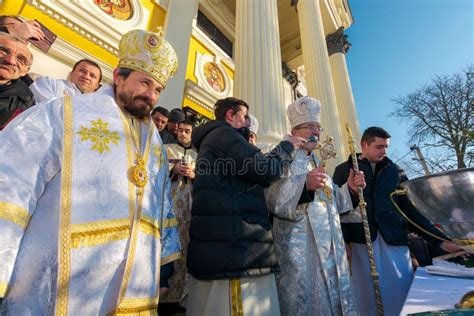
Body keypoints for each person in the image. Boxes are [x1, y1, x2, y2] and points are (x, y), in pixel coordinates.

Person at [0, 29, 181, 315]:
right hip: (57, 275)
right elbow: (12, 183)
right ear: (119, 76)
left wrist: (163, 270)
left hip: (132, 278)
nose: (150, 95)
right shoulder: (65, 112)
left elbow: (161, 203)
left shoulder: (154, 142)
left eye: (157, 89)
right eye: (144, 82)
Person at [185, 97, 302, 316]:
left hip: (224, 245)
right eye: (245, 116)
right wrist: (287, 146)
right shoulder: (225, 135)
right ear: (231, 115)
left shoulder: (213, 140)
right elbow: (264, 170)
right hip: (236, 251)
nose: (249, 122)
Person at [333, 126, 461, 316]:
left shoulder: (396, 171)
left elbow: (410, 211)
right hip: (361, 242)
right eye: (379, 146)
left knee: (401, 288)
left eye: (386, 147)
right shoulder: (344, 170)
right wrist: (343, 242)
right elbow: (336, 210)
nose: (384, 151)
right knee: (365, 294)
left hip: (394, 239)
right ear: (364, 145)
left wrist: (439, 239)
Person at [266, 96, 363, 316]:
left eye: (318, 127)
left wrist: (350, 189)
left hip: (330, 249)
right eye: (310, 126)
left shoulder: (316, 161)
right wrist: (303, 185)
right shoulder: (281, 155)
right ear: (295, 130)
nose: (316, 132)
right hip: (300, 248)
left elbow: (331, 205)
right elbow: (270, 196)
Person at [160, 119, 196, 311]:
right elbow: (154, 171)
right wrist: (172, 169)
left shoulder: (197, 154)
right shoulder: (166, 149)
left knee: (186, 248)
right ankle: (162, 296)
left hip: (189, 213)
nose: (182, 134)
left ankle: (181, 297)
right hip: (169, 207)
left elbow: (204, 179)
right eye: (180, 130)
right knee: (167, 246)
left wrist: (193, 175)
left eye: (187, 131)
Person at [0, 32, 35, 129]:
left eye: (20, 59)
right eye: (3, 51)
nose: (10, 60)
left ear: (25, 71)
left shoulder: (25, 101)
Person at [30, 58, 102, 103]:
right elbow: (45, 110)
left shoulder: (96, 108)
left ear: (97, 86)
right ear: (71, 73)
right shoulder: (50, 83)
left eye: (92, 76)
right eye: (82, 71)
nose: (86, 77)